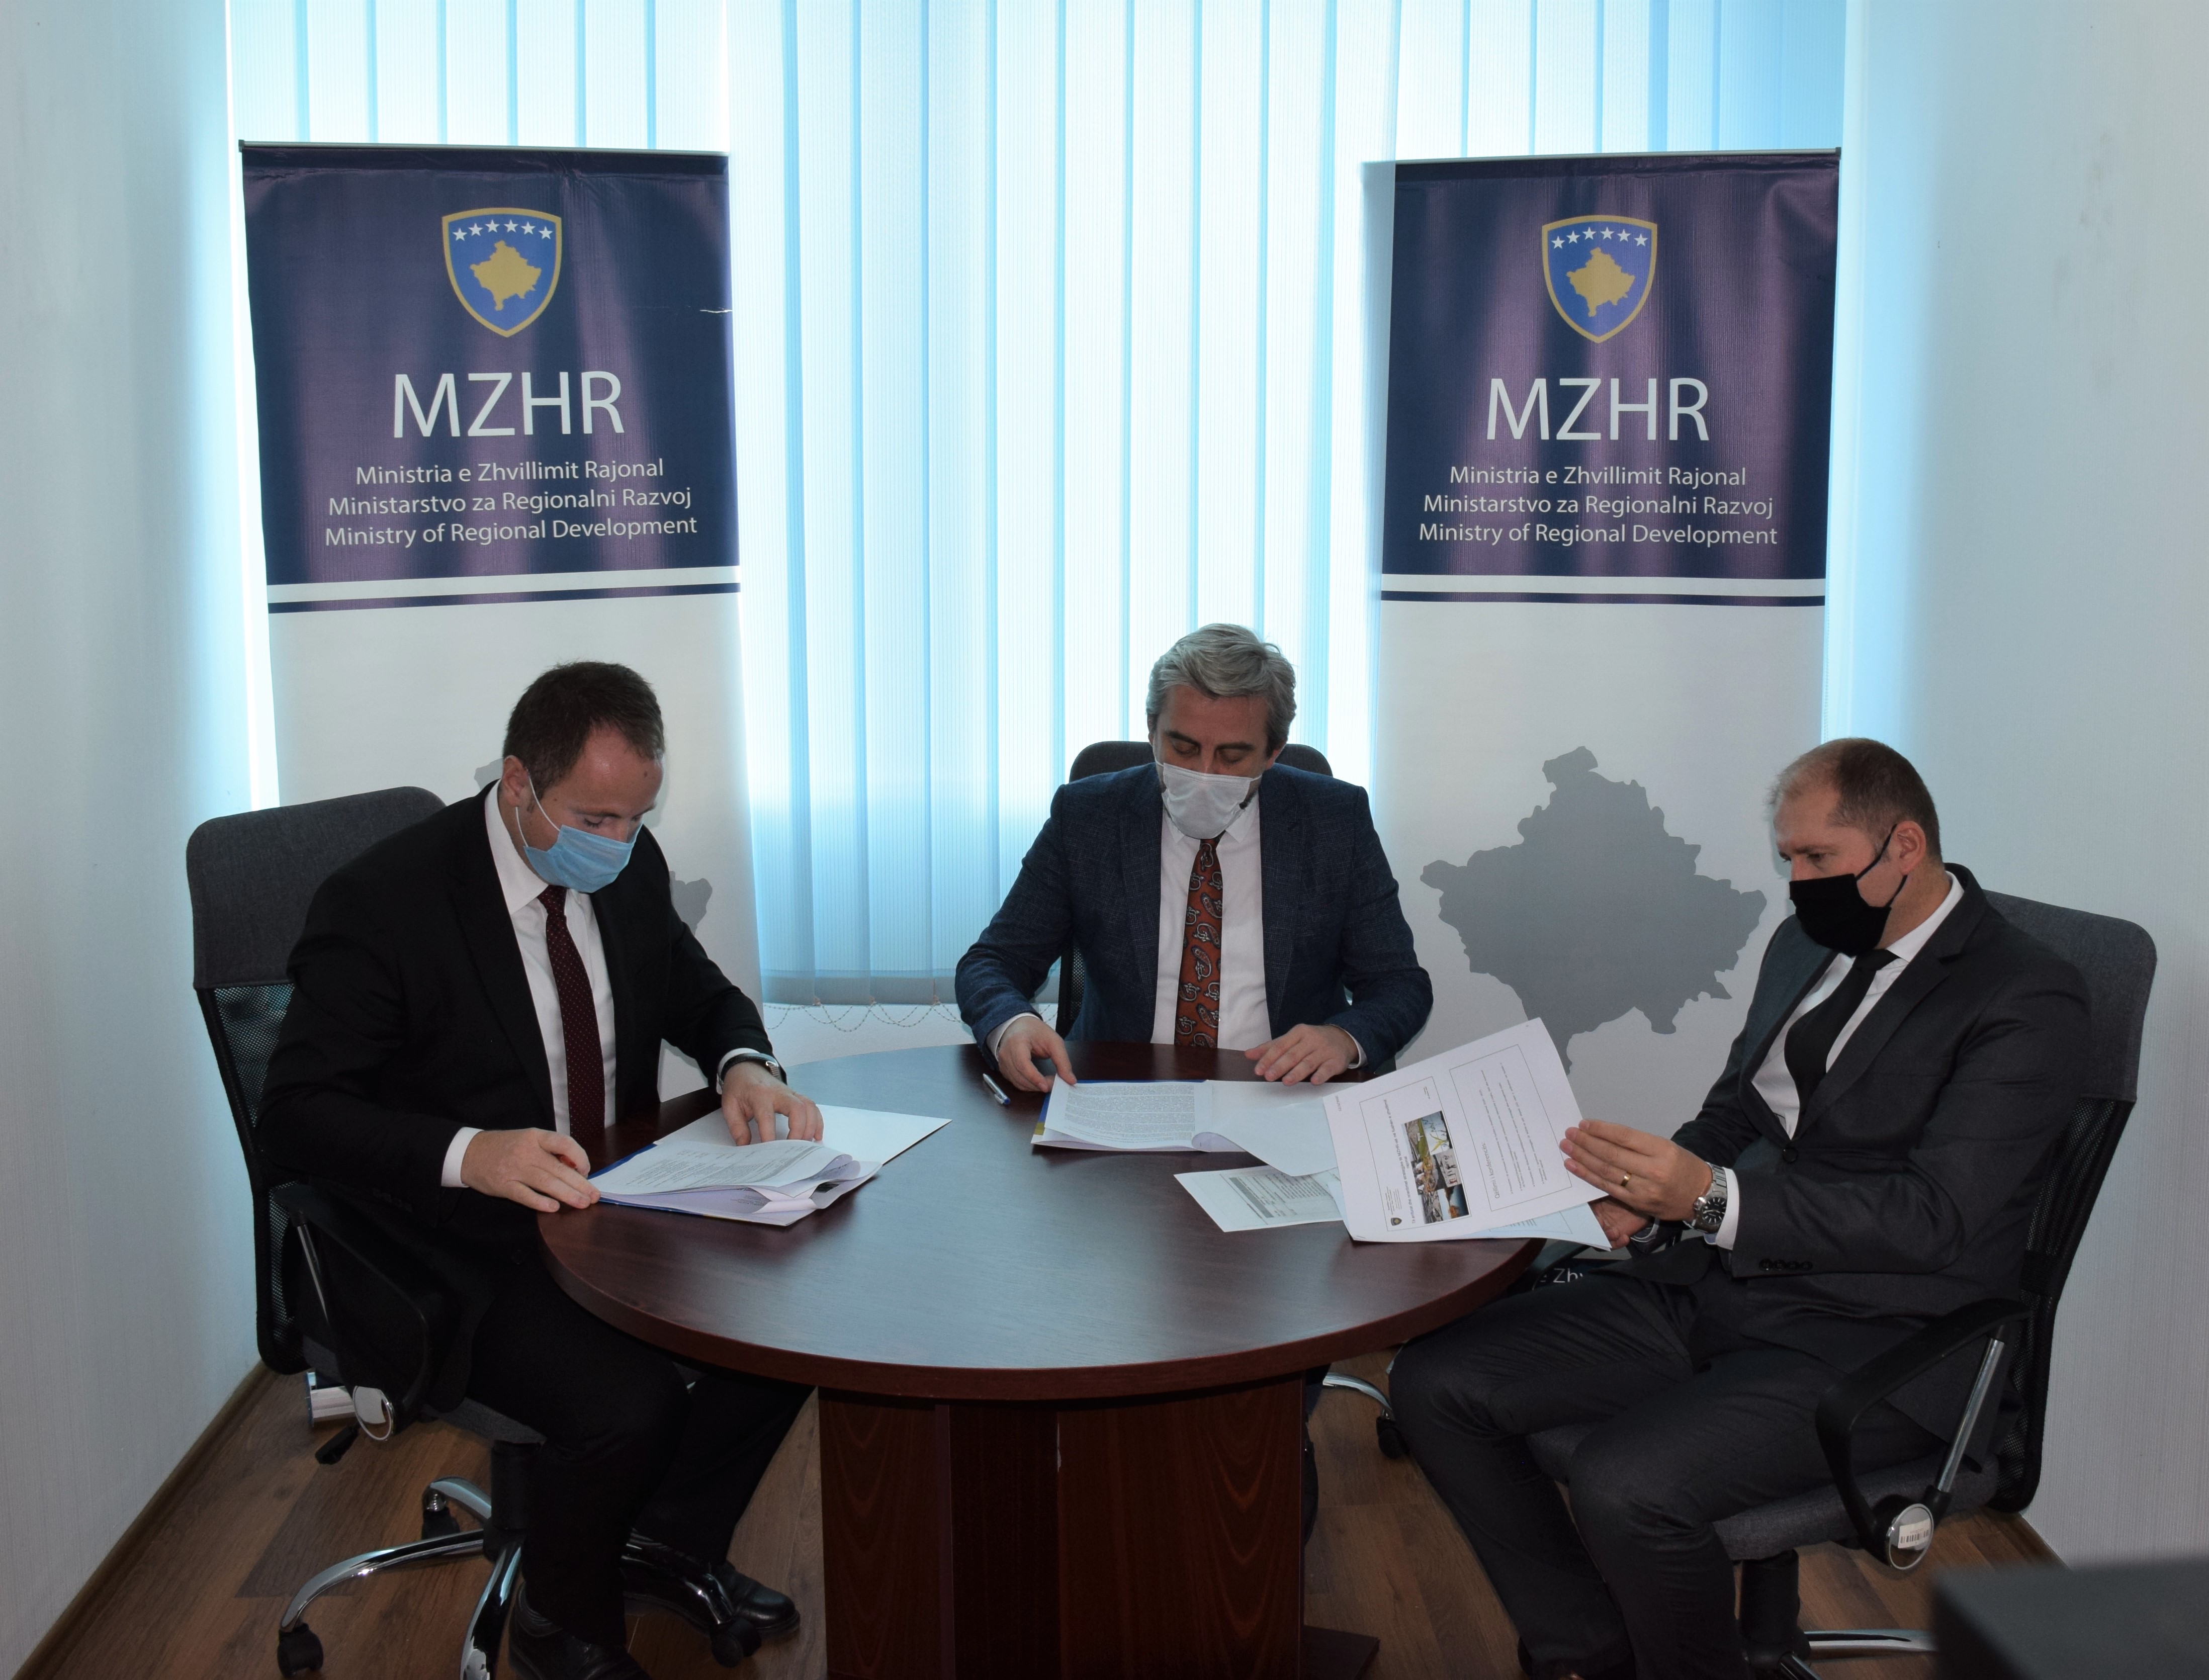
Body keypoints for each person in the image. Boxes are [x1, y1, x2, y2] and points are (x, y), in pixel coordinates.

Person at [1387, 738, 2088, 1680]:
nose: (1797, 884)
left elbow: (1935, 1216)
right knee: (1435, 1380)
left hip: (1876, 1335)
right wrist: (1642, 1192)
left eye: (1818, 858)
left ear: (1905, 845)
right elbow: (1740, 1109)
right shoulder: (1808, 942)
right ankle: (1589, 1650)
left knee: (1626, 1484)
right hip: (1723, 1280)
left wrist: (1710, 1199)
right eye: (1788, 856)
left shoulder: (2024, 994)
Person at [260, 662, 816, 1680]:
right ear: (518, 782)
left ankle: (664, 1538)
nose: (618, 840)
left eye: (636, 818)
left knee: (787, 1324)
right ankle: (562, 1621)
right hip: (447, 1233)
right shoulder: (386, 902)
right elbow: (296, 1113)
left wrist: (744, 1061)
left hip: (609, 1200)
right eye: (595, 818)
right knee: (627, 1401)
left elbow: (701, 994)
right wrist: (473, 1152)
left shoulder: (624, 863)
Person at [955, 622, 1433, 1090]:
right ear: (1152, 731)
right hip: (1121, 1088)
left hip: (1281, 1091)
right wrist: (1011, 1022)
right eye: (1183, 748)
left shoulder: (1334, 821)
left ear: (1273, 752)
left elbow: (1398, 984)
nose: (1204, 774)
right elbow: (994, 961)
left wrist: (1343, 1038)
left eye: (1232, 756)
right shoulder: (1088, 817)